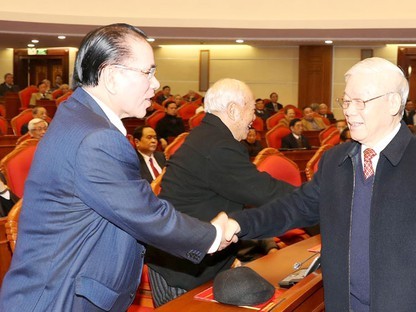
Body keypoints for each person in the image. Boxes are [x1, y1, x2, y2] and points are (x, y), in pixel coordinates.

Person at [0, 23, 239, 312]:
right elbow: (145, 214)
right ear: (111, 76)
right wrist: (212, 235)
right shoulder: (96, 138)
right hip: (61, 299)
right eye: (148, 72)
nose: (155, 83)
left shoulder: (79, 116)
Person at [232, 57, 416, 311]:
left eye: (360, 102)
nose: (349, 110)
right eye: (346, 101)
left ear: (392, 102)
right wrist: (238, 224)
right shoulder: (336, 160)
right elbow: (293, 208)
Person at [146, 78, 294, 307]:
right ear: (234, 110)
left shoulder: (209, 136)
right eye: (252, 111)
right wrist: (319, 198)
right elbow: (265, 191)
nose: (254, 119)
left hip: (194, 260)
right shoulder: (217, 146)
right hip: (181, 268)